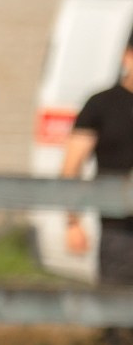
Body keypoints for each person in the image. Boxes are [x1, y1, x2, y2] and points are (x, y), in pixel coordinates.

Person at [63, 37, 133, 283]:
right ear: (127, 56)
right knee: (116, 299)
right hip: (119, 229)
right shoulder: (102, 104)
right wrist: (72, 223)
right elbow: (72, 167)